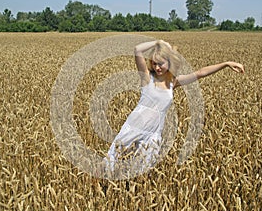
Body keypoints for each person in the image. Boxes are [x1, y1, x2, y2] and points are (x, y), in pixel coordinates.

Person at [103, 40, 244, 175]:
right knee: (110, 161)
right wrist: (158, 42)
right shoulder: (146, 77)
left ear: (169, 63)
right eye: (154, 63)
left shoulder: (173, 83)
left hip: (153, 134)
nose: (157, 67)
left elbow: (201, 73)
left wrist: (226, 64)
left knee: (141, 172)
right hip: (135, 126)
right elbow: (137, 49)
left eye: (161, 64)